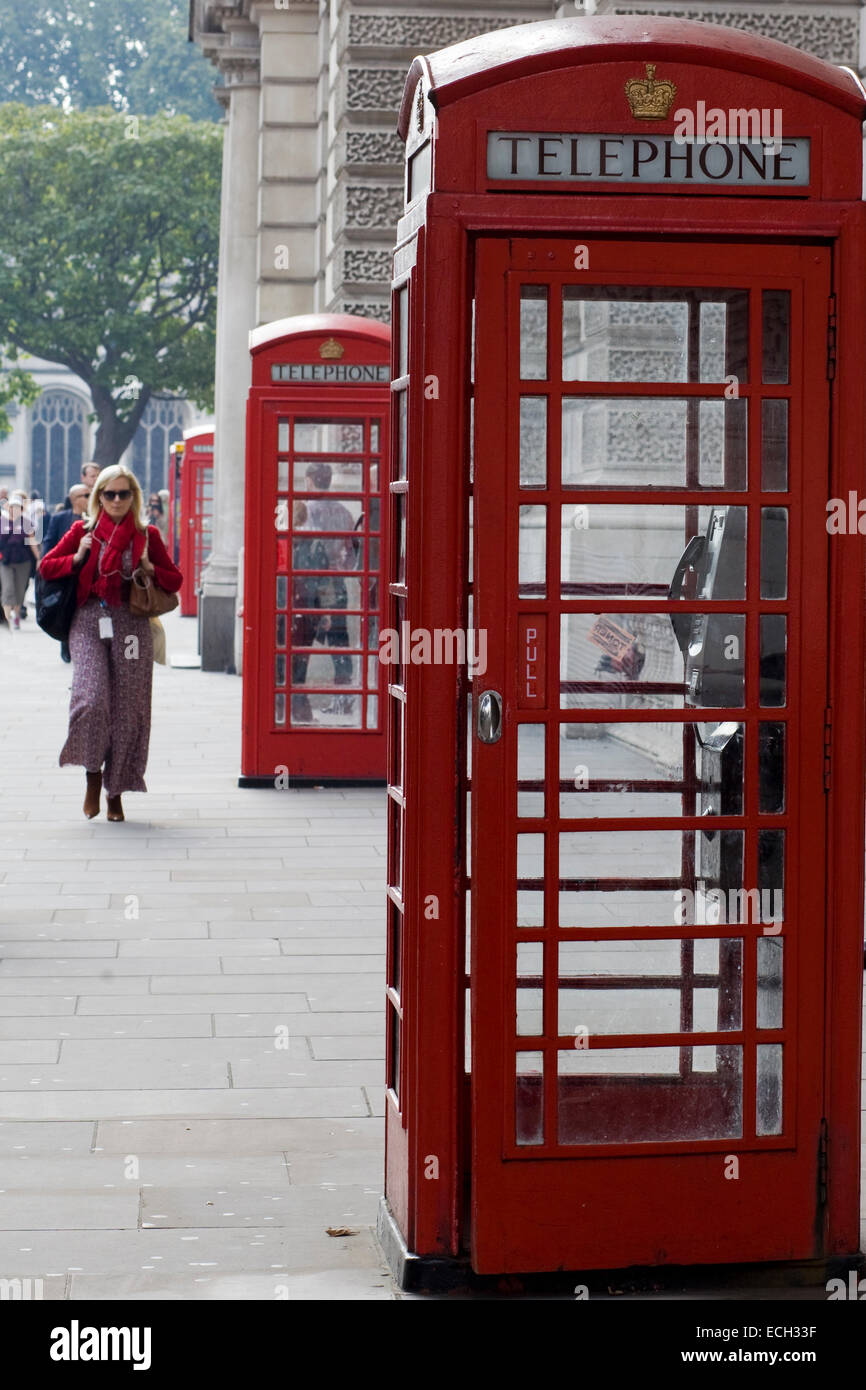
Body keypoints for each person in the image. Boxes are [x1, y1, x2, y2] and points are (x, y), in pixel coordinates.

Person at [39, 464, 182, 822]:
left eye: (123, 493)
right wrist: (77, 557)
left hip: (132, 624)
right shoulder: (82, 530)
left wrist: (148, 567)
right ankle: (92, 776)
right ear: (98, 497)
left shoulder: (146, 535)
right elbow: (46, 566)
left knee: (128, 712)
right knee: (91, 700)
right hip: (89, 620)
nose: (116, 500)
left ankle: (116, 792)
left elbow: (175, 580)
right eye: (109, 494)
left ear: (133, 496)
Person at [290, 462, 357, 723]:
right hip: (337, 585)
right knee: (340, 646)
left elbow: (304, 553)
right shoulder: (344, 511)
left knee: (300, 649)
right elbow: (352, 553)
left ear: (309, 481)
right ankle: (343, 700)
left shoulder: (307, 511)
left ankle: (297, 701)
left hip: (311, 587)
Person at [42, 485, 92, 663]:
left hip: (85, 576)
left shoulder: (95, 520)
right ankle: (65, 641)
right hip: (66, 570)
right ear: (74, 499)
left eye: (90, 495)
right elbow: (50, 543)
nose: (88, 498)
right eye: (85, 495)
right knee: (66, 607)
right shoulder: (60, 518)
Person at [0, 494, 40, 629]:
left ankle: (16, 615)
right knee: (7, 588)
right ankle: (7, 618)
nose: (14, 510)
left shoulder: (26, 522)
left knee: (20, 589)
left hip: (23, 560)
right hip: (5, 560)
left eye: (17, 507)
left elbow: (32, 541)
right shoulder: (2, 521)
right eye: (12, 507)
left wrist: (39, 558)